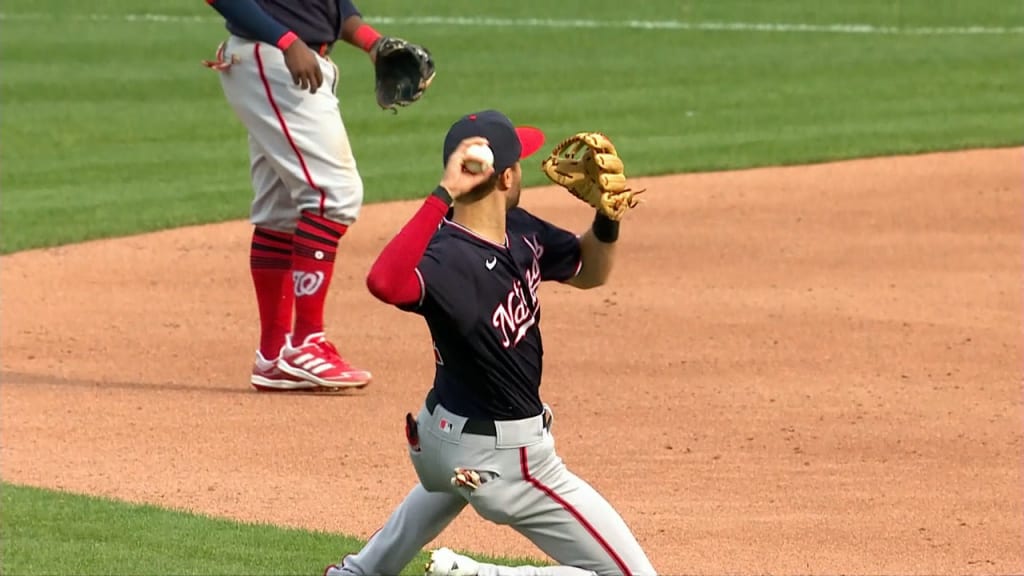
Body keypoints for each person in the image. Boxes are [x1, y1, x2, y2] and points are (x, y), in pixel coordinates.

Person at [323, 110, 657, 575]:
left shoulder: (520, 228)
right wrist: (443, 194)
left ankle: (359, 572)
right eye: (519, 160)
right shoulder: (446, 261)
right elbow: (383, 281)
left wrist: (606, 219)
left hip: (439, 449)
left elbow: (591, 272)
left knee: (447, 484)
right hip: (508, 464)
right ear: (506, 177)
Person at [204, 0, 421, 392]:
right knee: (334, 195)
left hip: (285, 59)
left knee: (282, 209)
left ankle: (274, 356)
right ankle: (308, 342)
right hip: (277, 57)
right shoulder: (284, 45)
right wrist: (287, 41)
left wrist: (373, 43)